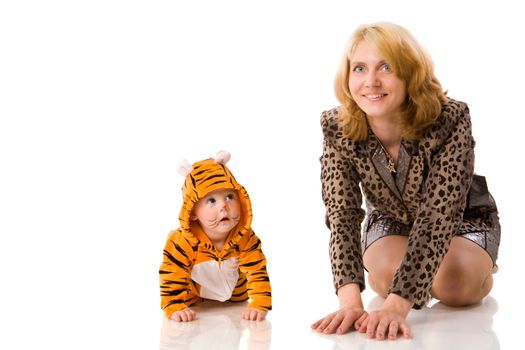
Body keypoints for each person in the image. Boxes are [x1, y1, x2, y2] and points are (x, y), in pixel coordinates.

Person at [311, 22, 500, 340]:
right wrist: (349, 301)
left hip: (461, 220)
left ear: (409, 73)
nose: (371, 81)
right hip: (392, 219)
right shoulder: (336, 125)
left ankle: (479, 269)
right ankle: (413, 276)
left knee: (455, 287)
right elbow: (341, 211)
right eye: (359, 68)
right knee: (387, 278)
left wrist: (397, 306)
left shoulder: (450, 118)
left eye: (386, 67)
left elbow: (440, 214)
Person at [159, 151, 272, 322]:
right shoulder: (182, 241)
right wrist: (174, 305)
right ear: (192, 212)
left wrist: (259, 303)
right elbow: (172, 273)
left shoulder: (245, 236)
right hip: (195, 299)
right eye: (211, 201)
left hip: (236, 299)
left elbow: (257, 270)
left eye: (230, 196)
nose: (224, 206)